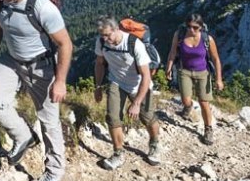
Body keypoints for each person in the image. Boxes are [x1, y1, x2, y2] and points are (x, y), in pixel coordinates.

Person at [0, 0, 73, 181]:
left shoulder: (42, 8)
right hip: (12, 60)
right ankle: (23, 136)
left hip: (41, 68)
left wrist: (60, 81)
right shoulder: (0, 4)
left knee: (48, 121)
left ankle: (54, 171)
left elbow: (65, 44)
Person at [93, 16, 162, 169]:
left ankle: (155, 143)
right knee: (113, 117)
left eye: (108, 35)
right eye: (102, 35)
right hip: (116, 81)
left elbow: (146, 75)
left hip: (139, 84)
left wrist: (136, 103)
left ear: (117, 29)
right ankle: (118, 153)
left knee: (148, 117)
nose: (105, 39)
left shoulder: (134, 44)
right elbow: (99, 64)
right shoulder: (101, 42)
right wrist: (97, 86)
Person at [164, 13, 224, 145]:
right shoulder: (179, 35)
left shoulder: (207, 39)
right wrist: (168, 67)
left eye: (195, 27)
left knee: (204, 103)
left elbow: (216, 59)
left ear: (201, 27)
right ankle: (188, 107)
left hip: (203, 73)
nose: (192, 30)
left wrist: (219, 79)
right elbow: (173, 52)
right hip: (184, 71)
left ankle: (208, 129)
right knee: (185, 100)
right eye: (189, 26)